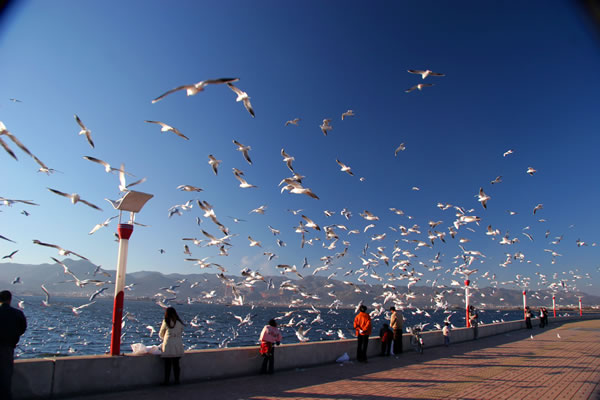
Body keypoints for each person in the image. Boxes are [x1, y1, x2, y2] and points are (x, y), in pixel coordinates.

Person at [0, 290, 27, 400]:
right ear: (10, 300)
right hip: (7, 348)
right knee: (5, 379)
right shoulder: (17, 313)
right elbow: (22, 328)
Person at [159, 307, 184, 385]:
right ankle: (177, 380)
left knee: (168, 365)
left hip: (168, 345)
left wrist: (165, 337)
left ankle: (166, 381)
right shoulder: (179, 322)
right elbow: (181, 331)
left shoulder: (166, 321)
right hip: (178, 345)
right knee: (176, 364)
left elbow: (161, 333)